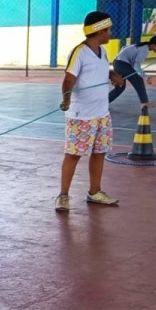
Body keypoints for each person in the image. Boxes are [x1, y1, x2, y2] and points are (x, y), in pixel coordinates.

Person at [56, 11, 125, 213]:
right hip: (82, 115)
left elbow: (101, 70)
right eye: (108, 30)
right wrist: (67, 99)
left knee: (99, 152)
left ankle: (95, 192)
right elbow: (69, 79)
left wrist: (113, 75)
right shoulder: (80, 52)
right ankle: (63, 195)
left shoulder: (102, 52)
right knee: (73, 154)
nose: (110, 33)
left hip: (102, 114)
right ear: (99, 31)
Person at [108, 34, 156, 107]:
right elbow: (136, 66)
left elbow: (124, 48)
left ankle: (103, 103)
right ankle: (144, 102)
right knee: (138, 80)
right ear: (154, 44)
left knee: (120, 87)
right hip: (121, 64)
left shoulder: (141, 46)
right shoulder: (144, 49)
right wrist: (146, 77)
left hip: (118, 63)